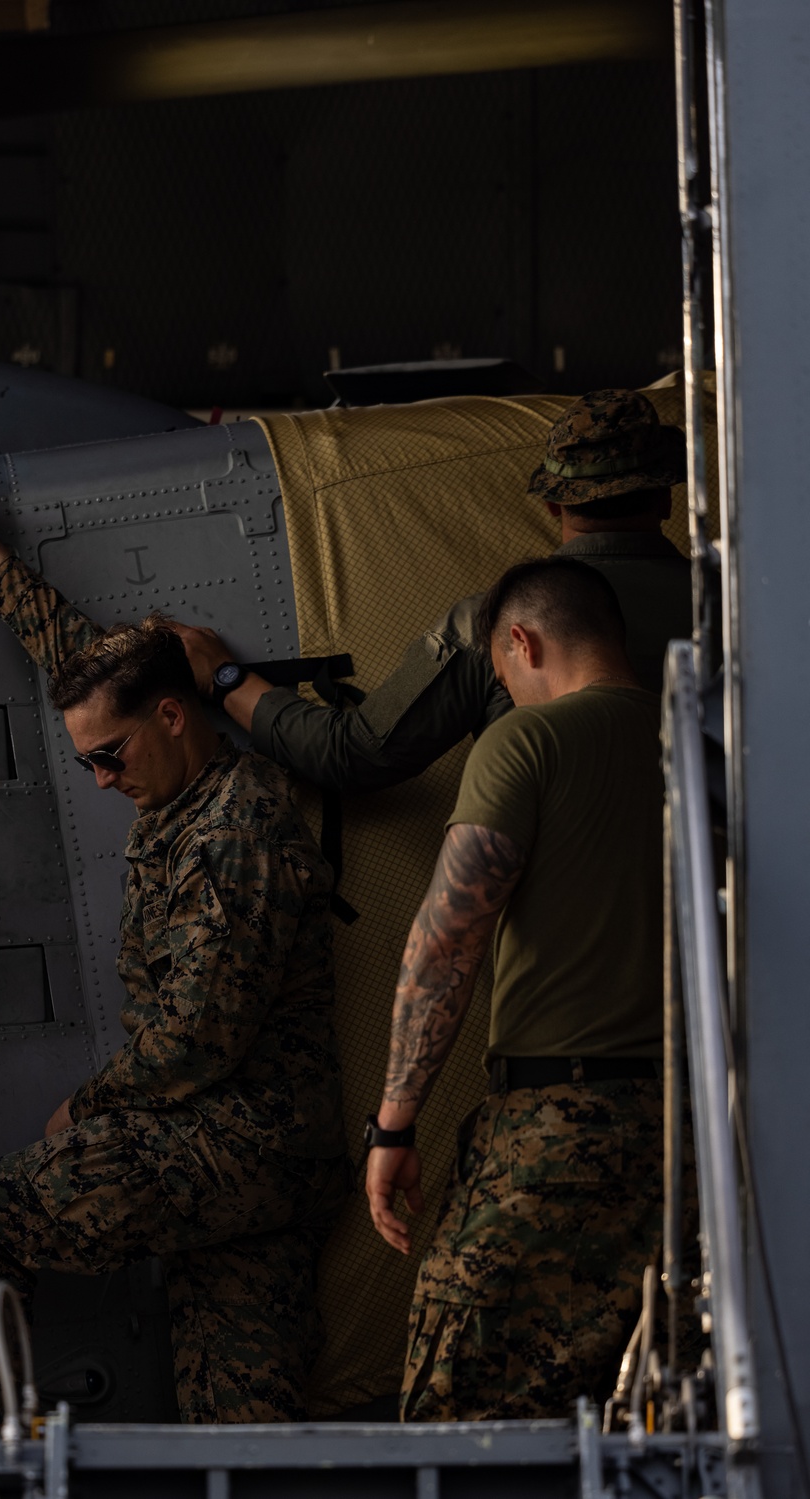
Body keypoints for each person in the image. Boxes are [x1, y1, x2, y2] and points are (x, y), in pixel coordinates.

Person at [0, 477, 351, 1424]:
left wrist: (90, 1102)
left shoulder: (240, 824)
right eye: (86, 765)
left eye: (109, 756)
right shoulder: (165, 767)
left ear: (173, 717)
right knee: (239, 1419)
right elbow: (91, 670)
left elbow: (202, 1031)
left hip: (232, 1141)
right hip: (251, 1164)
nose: (101, 779)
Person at [363, 556, 688, 1421]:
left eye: (507, 677)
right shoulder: (706, 743)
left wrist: (393, 1122)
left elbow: (447, 940)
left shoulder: (528, 739)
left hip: (556, 1137)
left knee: (459, 1425)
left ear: (521, 641)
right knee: (655, 1420)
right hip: (696, 1144)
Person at [173, 389, 692, 792]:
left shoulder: (495, 624)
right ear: (667, 498)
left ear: (554, 506)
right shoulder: (738, 617)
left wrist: (227, 679)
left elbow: (354, 754)